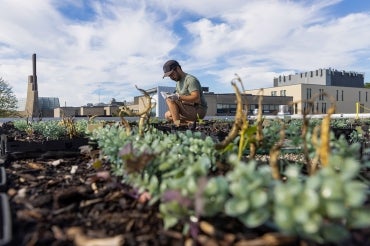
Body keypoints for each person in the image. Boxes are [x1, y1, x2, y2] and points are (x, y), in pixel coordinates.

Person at [162, 60, 208, 126]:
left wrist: (178, 97)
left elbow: (196, 99)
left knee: (169, 99)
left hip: (198, 109)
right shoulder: (178, 83)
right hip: (189, 109)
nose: (171, 77)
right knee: (167, 115)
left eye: (172, 74)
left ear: (178, 69)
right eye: (169, 76)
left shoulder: (190, 79)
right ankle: (188, 123)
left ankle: (177, 125)